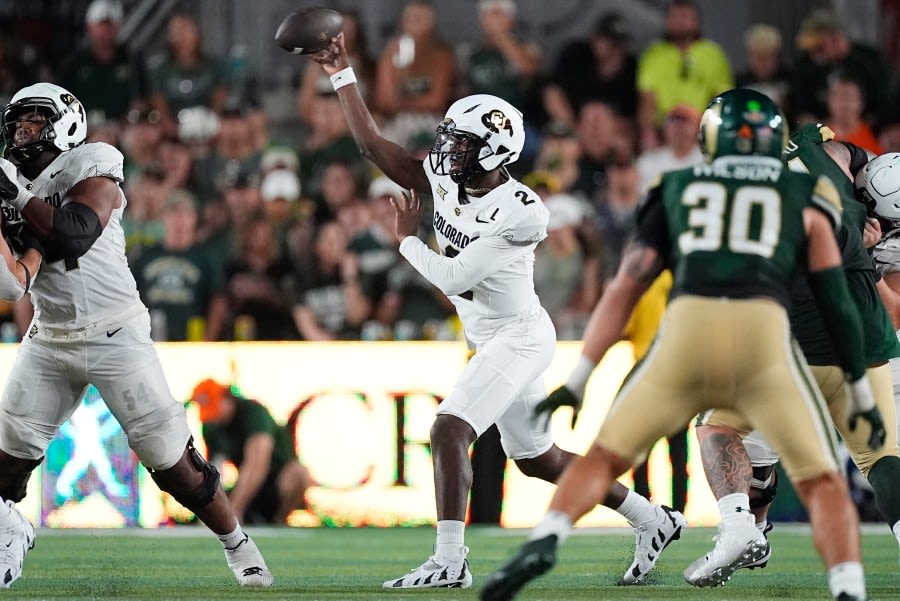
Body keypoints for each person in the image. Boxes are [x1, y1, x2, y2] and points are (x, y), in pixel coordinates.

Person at [310, 32, 684, 590]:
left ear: (493, 152)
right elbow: (374, 147)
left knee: (447, 430)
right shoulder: (450, 172)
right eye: (449, 139)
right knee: (537, 459)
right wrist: (343, 75)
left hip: (521, 336)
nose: (446, 151)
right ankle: (653, 518)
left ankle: (449, 560)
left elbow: (455, 277)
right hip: (492, 336)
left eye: (459, 142)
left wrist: (408, 241)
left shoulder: (522, 209)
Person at [481, 88, 883, 601]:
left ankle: (547, 536)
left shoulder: (676, 185)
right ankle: (848, 586)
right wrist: (863, 395)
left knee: (604, 457)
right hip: (764, 342)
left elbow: (626, 286)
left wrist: (579, 375)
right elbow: (838, 304)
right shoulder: (805, 198)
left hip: (687, 338)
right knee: (821, 480)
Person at [0, 82, 271, 588]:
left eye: (34, 122)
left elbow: (73, 233)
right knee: (7, 462)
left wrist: (13, 194)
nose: (23, 132)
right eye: (17, 123)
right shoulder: (10, 180)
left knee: (173, 466)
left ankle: (239, 543)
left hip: (116, 333)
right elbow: (18, 275)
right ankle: (8, 527)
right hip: (50, 335)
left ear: (66, 124)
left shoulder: (94, 162)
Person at [687, 126, 900, 585]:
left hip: (791, 332)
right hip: (860, 339)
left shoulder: (805, 156)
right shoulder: (842, 178)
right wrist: (870, 258)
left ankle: (740, 529)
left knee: (717, 425)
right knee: (881, 456)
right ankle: (761, 526)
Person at [191, 379, 312, 524]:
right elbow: (213, 469)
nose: (214, 417)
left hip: (275, 482)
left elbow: (257, 463)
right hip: (244, 484)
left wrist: (234, 508)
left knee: (299, 473)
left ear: (227, 398)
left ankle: (278, 519)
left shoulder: (253, 412)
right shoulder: (211, 425)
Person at [636, 0, 733, 150]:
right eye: (674, 17)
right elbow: (647, 99)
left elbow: (721, 98)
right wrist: (648, 133)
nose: (679, 22)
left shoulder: (713, 54)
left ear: (697, 21)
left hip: (701, 129)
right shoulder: (653, 54)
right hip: (665, 131)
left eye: (685, 16)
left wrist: (711, 132)